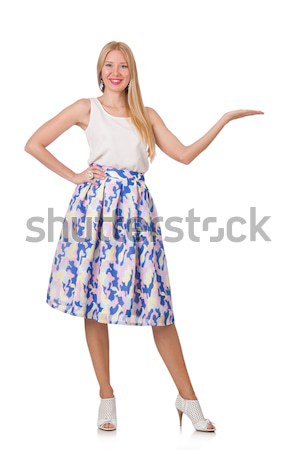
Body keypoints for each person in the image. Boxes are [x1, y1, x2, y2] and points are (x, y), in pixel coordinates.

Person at [24, 40, 264, 432]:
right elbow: (34, 143)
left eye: (123, 66)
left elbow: (184, 155)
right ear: (99, 70)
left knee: (159, 307)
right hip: (95, 212)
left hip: (136, 214)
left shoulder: (144, 114)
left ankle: (187, 397)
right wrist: (74, 175)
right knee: (93, 303)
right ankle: (106, 395)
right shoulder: (86, 108)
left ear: (132, 73)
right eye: (109, 65)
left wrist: (223, 120)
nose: (115, 72)